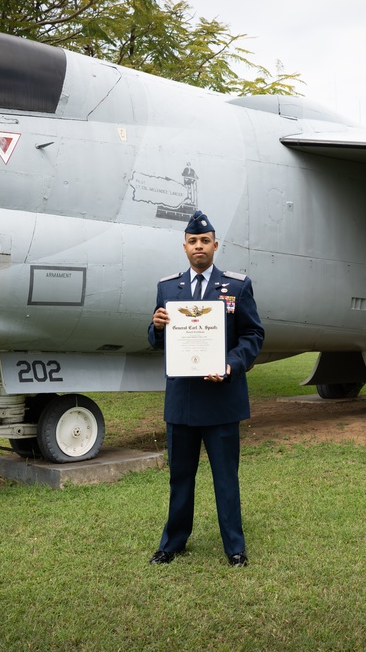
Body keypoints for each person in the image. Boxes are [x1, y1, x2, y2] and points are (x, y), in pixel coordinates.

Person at [147, 210, 265, 567]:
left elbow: (253, 335)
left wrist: (230, 364)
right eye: (193, 241)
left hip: (222, 401)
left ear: (216, 245)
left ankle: (235, 548)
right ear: (185, 247)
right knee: (180, 478)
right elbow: (156, 341)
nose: (199, 246)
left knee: (226, 479)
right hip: (182, 402)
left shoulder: (237, 286)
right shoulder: (168, 288)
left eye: (205, 241)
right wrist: (156, 326)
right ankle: (173, 544)